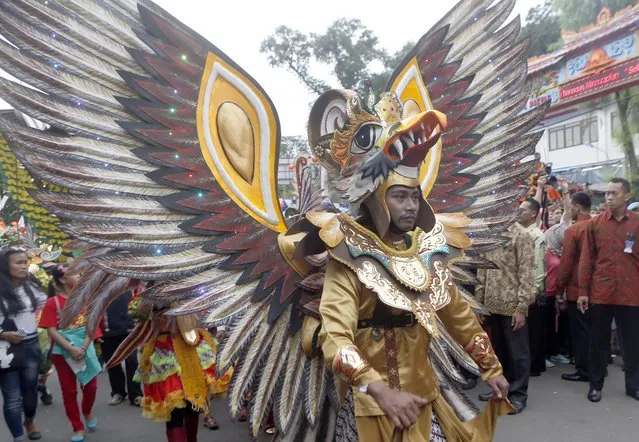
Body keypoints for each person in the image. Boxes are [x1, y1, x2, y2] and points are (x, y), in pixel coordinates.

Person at [319, 170, 511, 442]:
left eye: (415, 197)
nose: (410, 205)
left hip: (422, 398)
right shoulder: (348, 256)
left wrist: (491, 366)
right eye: (399, 197)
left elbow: (459, 316)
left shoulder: (427, 254)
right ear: (377, 202)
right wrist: (379, 390)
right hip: (370, 404)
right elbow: (335, 335)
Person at [129, 292, 230, 442]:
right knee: (174, 408)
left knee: (193, 404)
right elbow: (137, 313)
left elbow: (202, 309)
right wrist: (149, 307)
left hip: (191, 346)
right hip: (165, 354)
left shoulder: (188, 284)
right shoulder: (150, 289)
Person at [578, 178, 639, 402]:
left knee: (632, 343)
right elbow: (587, 259)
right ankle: (595, 386)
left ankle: (634, 386)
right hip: (601, 291)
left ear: (627, 197)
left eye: (614, 193)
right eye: (607, 194)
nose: (609, 197)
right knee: (598, 341)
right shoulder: (595, 224)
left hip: (631, 292)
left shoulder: (637, 223)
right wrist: (583, 290)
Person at [476, 200, 535, 414]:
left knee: (518, 354)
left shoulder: (521, 235)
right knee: (498, 352)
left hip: (512, 306)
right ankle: (500, 390)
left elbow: (526, 273)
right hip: (490, 304)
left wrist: (521, 308)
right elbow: (482, 270)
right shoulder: (489, 235)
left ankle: (518, 394)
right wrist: (479, 304)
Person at [39, 264, 102, 442]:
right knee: (69, 392)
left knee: (91, 387)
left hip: (85, 347)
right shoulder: (53, 303)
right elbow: (51, 330)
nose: (81, 277)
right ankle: (77, 427)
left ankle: (87, 412)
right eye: (76, 274)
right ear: (62, 279)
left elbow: (93, 324)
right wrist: (70, 348)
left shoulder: (86, 299)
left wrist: (83, 347)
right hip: (62, 353)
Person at [0, 248, 46, 441]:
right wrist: (2, 334)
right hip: (6, 349)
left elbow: (49, 304)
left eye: (25, 261)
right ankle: (17, 436)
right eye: (18, 262)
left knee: (30, 391)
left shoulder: (31, 287)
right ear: (5, 265)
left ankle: (29, 420)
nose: (23, 265)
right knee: (12, 397)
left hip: (31, 346)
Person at [557, 192, 592, 382]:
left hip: (576, 288)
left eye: (571, 206)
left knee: (580, 331)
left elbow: (566, 262)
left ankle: (584, 370)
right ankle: (598, 366)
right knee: (595, 330)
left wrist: (559, 288)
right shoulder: (598, 226)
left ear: (577, 207)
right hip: (598, 288)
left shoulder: (574, 230)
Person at [101, 290, 142, 407]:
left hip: (129, 329)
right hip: (108, 332)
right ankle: (118, 393)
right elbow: (93, 308)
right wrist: (97, 331)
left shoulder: (130, 281)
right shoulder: (100, 285)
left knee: (132, 362)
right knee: (112, 363)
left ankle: (136, 395)